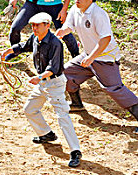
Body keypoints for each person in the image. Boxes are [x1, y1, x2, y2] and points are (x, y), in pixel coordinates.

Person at [1, 12, 82, 167]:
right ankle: (46, 134)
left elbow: (54, 67)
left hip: (54, 84)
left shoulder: (55, 43)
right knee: (30, 109)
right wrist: (8, 51)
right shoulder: (35, 38)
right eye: (32, 25)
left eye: (37, 25)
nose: (34, 28)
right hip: (43, 83)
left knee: (62, 117)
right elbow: (23, 46)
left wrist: (39, 77)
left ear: (47, 25)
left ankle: (75, 151)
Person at [56, 0, 138, 134]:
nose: (77, 0)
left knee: (115, 89)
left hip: (105, 59)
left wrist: (92, 57)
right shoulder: (75, 10)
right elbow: (69, 26)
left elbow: (105, 39)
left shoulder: (98, 14)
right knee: (66, 74)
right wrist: (61, 32)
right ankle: (77, 104)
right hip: (88, 56)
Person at [5, 0, 79, 61]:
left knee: (65, 33)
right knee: (15, 28)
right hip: (32, 3)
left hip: (54, 6)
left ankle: (76, 57)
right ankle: (14, 51)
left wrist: (64, 9)